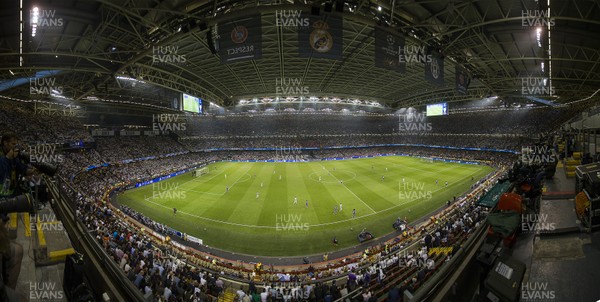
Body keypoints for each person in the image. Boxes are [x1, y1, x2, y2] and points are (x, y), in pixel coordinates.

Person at [0, 132, 33, 301]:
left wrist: (38, 167)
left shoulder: (13, 159)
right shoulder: (2, 160)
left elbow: (24, 170)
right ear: (4, 143)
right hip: (1, 209)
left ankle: (6, 291)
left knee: (14, 251)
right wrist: (7, 158)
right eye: (12, 144)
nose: (15, 147)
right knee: (7, 251)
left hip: (5, 210)